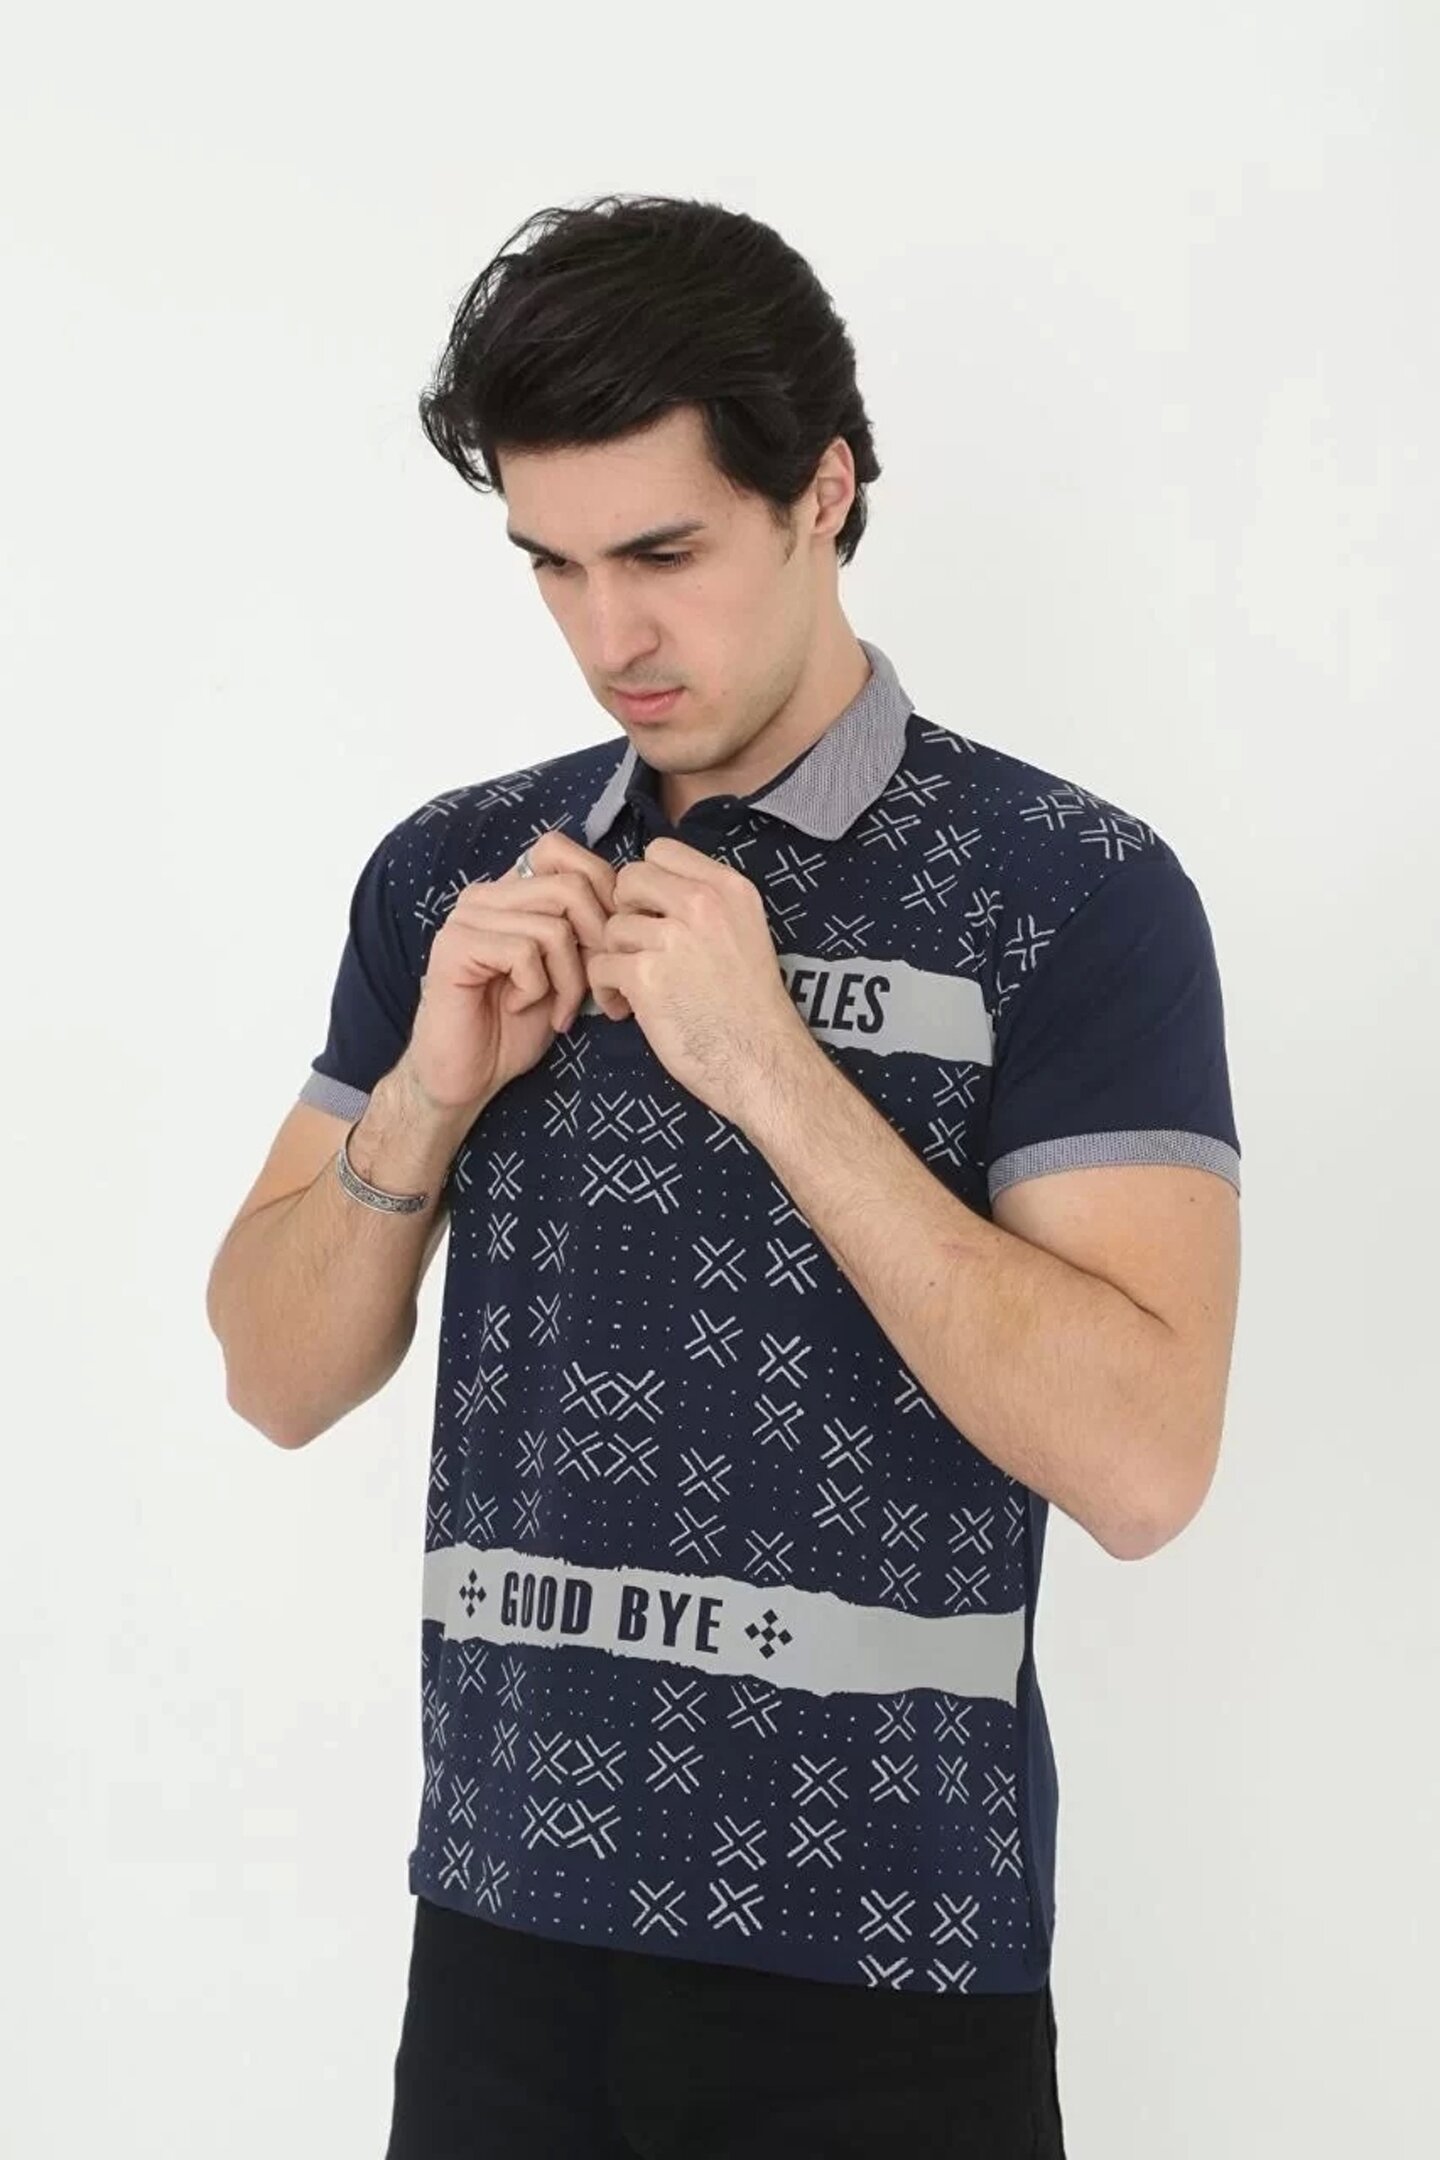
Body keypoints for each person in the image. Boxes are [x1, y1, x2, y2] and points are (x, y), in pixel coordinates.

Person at [206, 193, 1242, 2158]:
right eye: (556, 564)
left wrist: (775, 1069)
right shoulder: (459, 879)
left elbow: (1143, 1464)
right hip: (496, 1946)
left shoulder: (1073, 894)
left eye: (664, 554)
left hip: (885, 1985)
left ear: (823, 491)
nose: (611, 636)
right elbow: (272, 1374)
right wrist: (423, 1101)